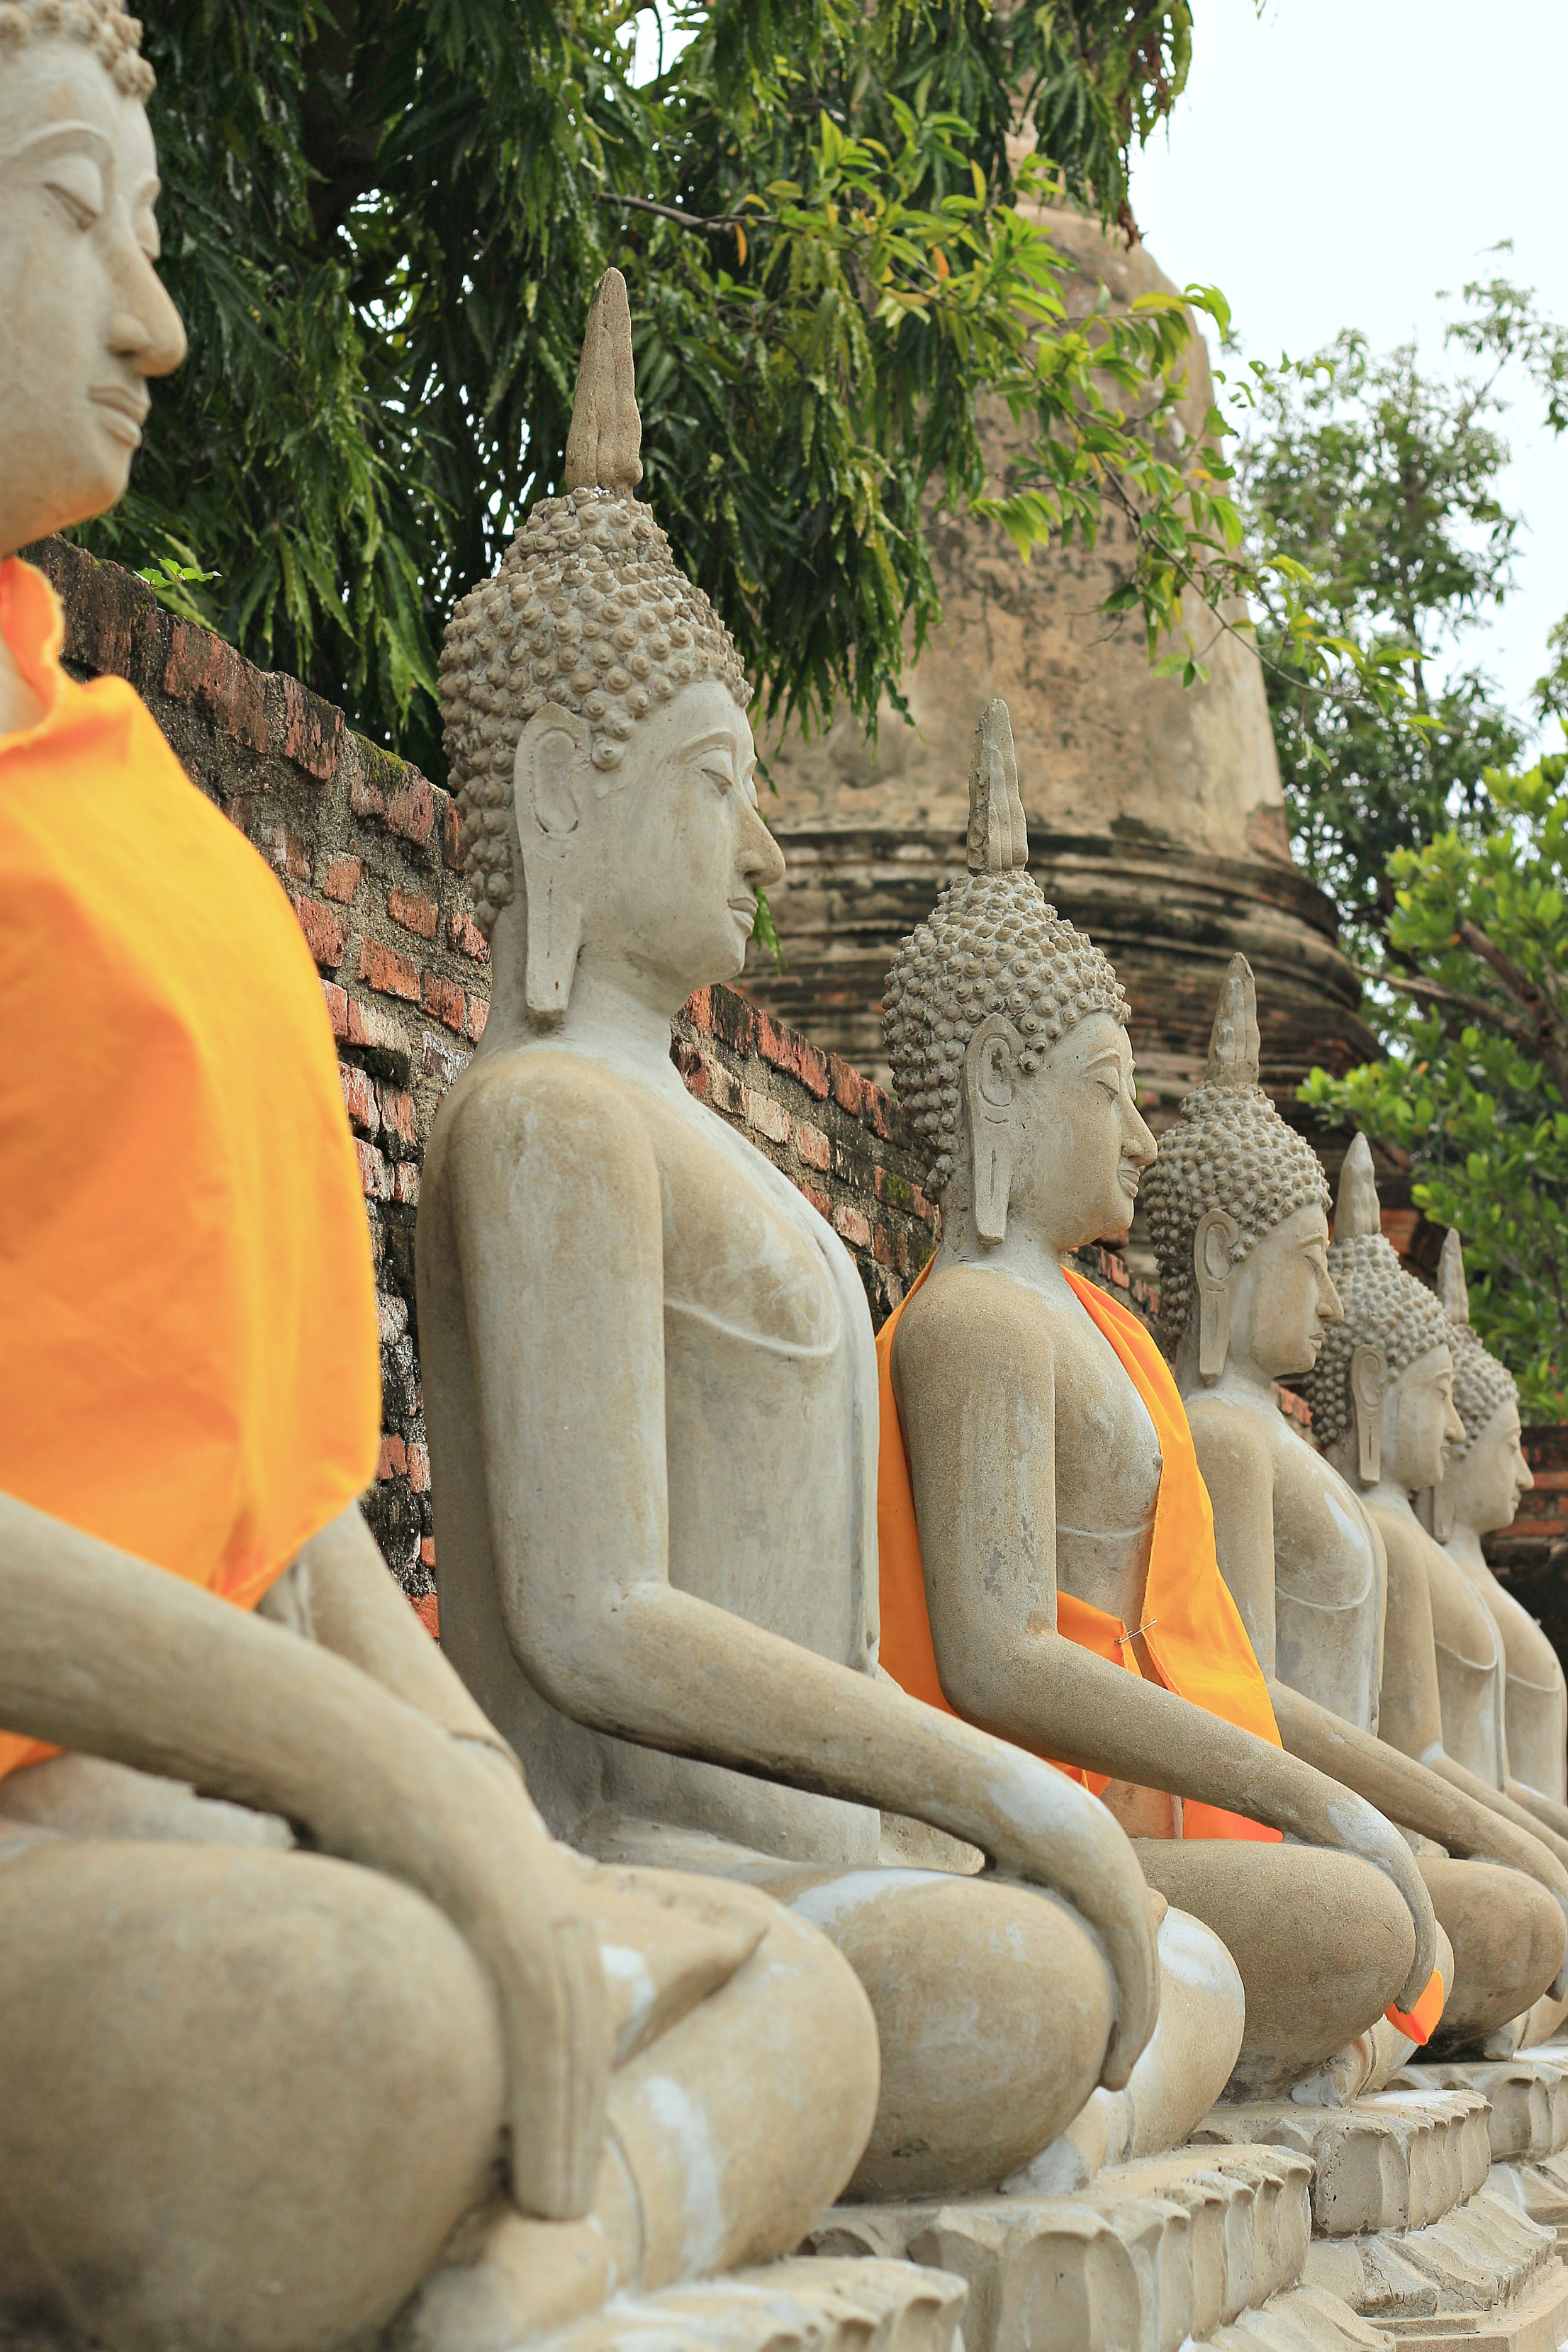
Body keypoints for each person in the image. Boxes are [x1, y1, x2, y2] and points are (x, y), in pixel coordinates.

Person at [0, 22, 882, 2346]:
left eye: (156, 239)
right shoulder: (548, 1121)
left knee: (807, 2007)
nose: (159, 322)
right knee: (370, 2017)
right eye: (78, 216)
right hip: (68, 1819)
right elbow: (585, 1609)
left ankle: (532, 2257)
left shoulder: (135, 806)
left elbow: (278, 1492)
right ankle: (496, 2203)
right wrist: (395, 1811)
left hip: (239, 1815)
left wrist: (466, 1796)